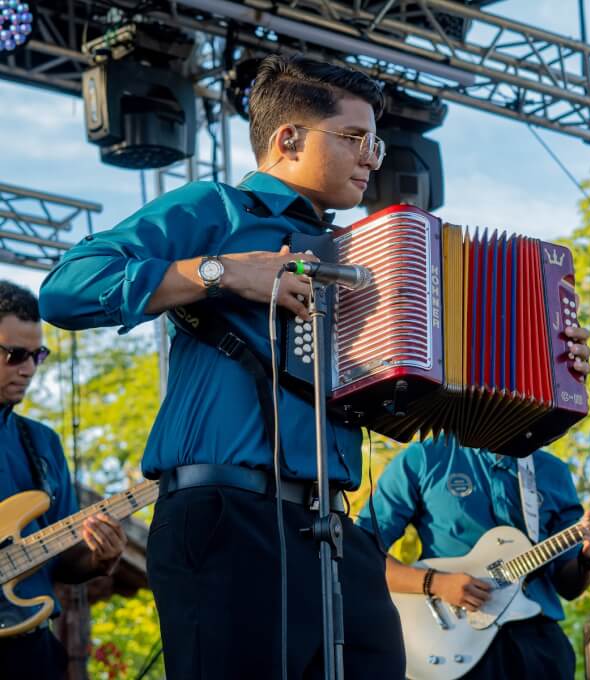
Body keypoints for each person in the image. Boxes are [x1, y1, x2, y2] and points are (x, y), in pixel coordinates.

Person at [38, 55, 410, 679]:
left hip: (334, 529)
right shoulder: (216, 209)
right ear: (288, 139)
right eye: (354, 139)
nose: (372, 157)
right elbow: (65, 289)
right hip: (226, 517)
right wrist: (222, 271)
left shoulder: (360, 253)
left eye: (375, 142)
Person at [356, 435, 590, 679]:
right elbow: (360, 554)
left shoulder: (552, 471)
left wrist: (589, 558)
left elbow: (569, 586)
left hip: (538, 640)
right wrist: (434, 583)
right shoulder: (424, 457)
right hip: (455, 638)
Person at [0, 281, 126, 680]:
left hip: (31, 649)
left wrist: (100, 557)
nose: (29, 369)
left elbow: (64, 562)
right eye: (14, 355)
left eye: (37, 354)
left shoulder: (41, 443)